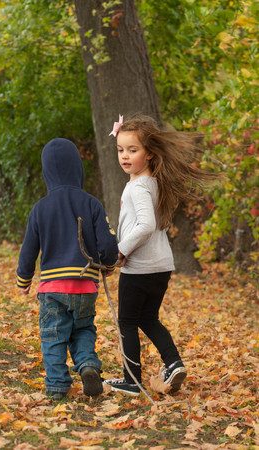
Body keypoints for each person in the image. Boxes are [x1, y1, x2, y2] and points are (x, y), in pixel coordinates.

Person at [105, 114, 217, 395]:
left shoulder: (139, 186)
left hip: (141, 268)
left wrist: (120, 250)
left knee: (128, 322)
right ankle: (174, 363)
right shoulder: (154, 183)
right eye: (121, 150)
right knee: (148, 318)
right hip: (161, 266)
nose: (125, 156)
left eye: (133, 150)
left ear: (150, 153)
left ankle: (131, 379)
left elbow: (145, 225)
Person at [16, 138, 118, 401]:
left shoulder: (40, 209)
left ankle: (58, 385)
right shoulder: (91, 203)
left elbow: (29, 250)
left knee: (53, 336)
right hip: (85, 285)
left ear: (46, 172)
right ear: (78, 168)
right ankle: (88, 365)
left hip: (52, 290)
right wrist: (107, 264)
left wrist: (23, 279)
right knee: (83, 329)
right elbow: (107, 241)